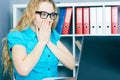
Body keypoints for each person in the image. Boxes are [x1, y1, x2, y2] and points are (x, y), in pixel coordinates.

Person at [2, 0, 75, 80]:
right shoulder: (18, 36)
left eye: (52, 15)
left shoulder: (52, 34)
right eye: (43, 14)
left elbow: (71, 64)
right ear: (32, 15)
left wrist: (48, 42)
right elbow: (23, 70)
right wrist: (41, 42)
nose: (49, 20)